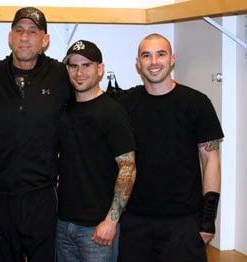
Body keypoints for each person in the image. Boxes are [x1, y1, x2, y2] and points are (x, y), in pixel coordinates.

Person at [116, 33, 224, 262]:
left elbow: (211, 160)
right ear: (138, 62)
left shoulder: (197, 103)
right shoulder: (124, 104)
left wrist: (208, 218)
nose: (154, 62)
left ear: (172, 59)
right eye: (147, 55)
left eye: (161, 54)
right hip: (135, 222)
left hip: (183, 223)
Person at [0, 6, 71, 262]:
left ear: (45, 40)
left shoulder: (60, 76)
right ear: (10, 37)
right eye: (19, 30)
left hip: (42, 196)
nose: (25, 37)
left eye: (33, 31)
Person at [56, 40, 136, 262]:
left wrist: (111, 221)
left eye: (86, 65)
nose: (79, 72)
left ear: (100, 69)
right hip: (63, 225)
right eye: (73, 66)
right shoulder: (64, 110)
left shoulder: (112, 112)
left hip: (97, 229)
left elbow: (128, 168)